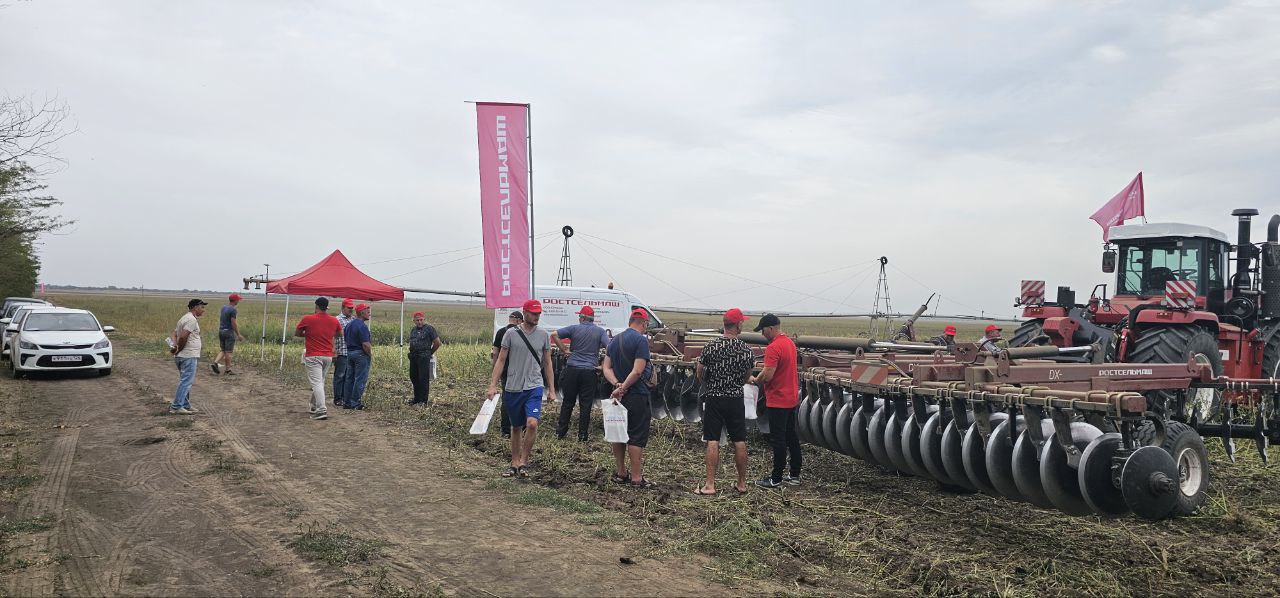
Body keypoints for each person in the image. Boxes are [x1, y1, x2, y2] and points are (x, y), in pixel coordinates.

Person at [486, 299, 557, 478]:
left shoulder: (543, 335)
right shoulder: (510, 334)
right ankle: (514, 462)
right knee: (516, 426)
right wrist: (493, 385)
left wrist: (552, 389)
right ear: (524, 313)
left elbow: (548, 362)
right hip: (513, 386)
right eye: (534, 313)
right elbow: (501, 359)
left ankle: (524, 461)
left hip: (534, 385)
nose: (537, 316)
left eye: (539, 313)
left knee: (532, 423)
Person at [693, 308, 755, 496]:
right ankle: (741, 483)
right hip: (736, 399)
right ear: (738, 325)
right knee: (740, 440)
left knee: (712, 439)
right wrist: (736, 383)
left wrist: (709, 383)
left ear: (724, 324)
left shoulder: (710, 346)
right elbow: (748, 376)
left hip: (714, 398)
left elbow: (699, 371)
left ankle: (710, 485)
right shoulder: (745, 350)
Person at [602, 308, 656, 488]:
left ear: (630, 321)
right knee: (635, 436)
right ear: (644, 323)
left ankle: (620, 472)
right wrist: (624, 387)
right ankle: (636, 478)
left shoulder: (615, 340)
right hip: (637, 395)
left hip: (618, 396)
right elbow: (638, 370)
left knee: (618, 433)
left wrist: (616, 385)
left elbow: (606, 368)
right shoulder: (641, 341)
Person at [752, 313, 802, 488]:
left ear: (771, 328)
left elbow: (768, 374)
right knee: (791, 436)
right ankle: (795, 474)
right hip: (791, 398)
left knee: (778, 440)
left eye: (763, 330)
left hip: (778, 400)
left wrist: (755, 380)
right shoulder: (789, 343)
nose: (762, 334)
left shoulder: (773, 347)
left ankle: (776, 478)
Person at [553, 305, 611, 441]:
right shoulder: (600, 332)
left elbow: (554, 335)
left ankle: (561, 432)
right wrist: (603, 365)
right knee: (586, 404)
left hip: (572, 369)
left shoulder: (574, 328)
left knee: (568, 401)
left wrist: (564, 350)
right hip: (589, 371)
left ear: (582, 317)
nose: (579, 318)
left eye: (580, 316)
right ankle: (582, 435)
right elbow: (610, 347)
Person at [295, 297, 344, 420]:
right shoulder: (334, 320)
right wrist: (328, 334)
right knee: (319, 382)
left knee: (317, 383)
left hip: (313, 356)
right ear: (327, 307)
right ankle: (313, 405)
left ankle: (321, 410)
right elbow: (340, 334)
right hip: (327, 356)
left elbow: (297, 333)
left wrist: (309, 334)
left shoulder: (307, 319)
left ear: (316, 306)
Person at [168, 299, 207, 415]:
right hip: (188, 355)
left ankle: (185, 405)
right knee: (186, 382)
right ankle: (176, 406)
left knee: (185, 381)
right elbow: (183, 337)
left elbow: (174, 334)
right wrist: (179, 348)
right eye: (202, 307)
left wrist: (175, 347)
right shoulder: (191, 320)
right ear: (195, 307)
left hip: (183, 356)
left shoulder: (184, 318)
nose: (203, 310)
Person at [492, 311, 522, 438]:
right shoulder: (521, 333)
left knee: (506, 399)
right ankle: (522, 427)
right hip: (519, 371)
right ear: (519, 321)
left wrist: (495, 371)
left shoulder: (500, 332)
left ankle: (505, 430)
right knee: (521, 398)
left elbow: (495, 354)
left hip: (504, 371)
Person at [407, 311, 442, 406]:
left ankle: (423, 401)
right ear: (414, 321)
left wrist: (429, 353)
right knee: (414, 377)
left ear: (424, 320)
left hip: (423, 357)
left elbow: (437, 343)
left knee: (423, 379)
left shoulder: (429, 329)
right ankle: (416, 399)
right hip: (414, 357)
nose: (419, 322)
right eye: (417, 320)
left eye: (421, 320)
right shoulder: (413, 330)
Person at [342, 303, 373, 410]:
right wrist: (369, 353)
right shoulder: (362, 326)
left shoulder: (349, 325)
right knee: (360, 379)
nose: (369, 314)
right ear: (362, 312)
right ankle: (355, 403)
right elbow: (365, 344)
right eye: (367, 312)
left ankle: (346, 402)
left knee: (349, 378)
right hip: (360, 354)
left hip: (350, 353)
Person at [211, 294, 245, 375]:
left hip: (221, 331)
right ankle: (228, 370)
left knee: (223, 350)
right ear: (235, 300)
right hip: (229, 332)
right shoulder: (233, 310)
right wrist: (238, 334)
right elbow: (234, 323)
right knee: (228, 352)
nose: (239, 301)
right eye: (238, 300)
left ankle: (215, 363)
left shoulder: (224, 307)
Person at [333, 298, 355, 408]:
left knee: (348, 376)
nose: (351, 310)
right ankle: (338, 398)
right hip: (341, 351)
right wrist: (334, 351)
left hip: (351, 352)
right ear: (343, 308)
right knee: (340, 376)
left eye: (352, 308)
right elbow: (332, 336)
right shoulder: (336, 320)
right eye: (349, 308)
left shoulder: (353, 319)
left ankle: (345, 397)